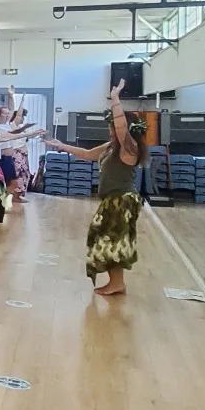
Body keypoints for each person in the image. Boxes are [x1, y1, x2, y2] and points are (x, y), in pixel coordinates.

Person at [45, 81, 144, 295]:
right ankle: (116, 281)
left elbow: (121, 127)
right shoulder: (111, 147)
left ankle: (117, 283)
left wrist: (115, 98)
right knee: (105, 238)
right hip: (112, 200)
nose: (110, 128)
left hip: (122, 201)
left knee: (113, 241)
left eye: (113, 125)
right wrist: (61, 146)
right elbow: (87, 154)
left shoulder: (129, 148)